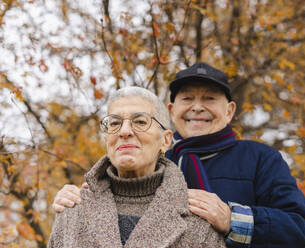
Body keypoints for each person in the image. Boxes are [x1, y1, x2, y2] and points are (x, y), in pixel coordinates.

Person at [52, 62, 305, 247]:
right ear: (171, 110)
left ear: (229, 111)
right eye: (187, 99)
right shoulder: (151, 159)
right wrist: (77, 198)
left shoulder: (259, 158)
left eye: (209, 99)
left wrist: (233, 220)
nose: (197, 107)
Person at [48, 86, 226, 248]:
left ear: (165, 140)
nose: (125, 131)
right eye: (115, 123)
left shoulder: (199, 219)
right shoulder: (72, 211)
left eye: (140, 122)